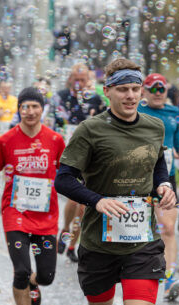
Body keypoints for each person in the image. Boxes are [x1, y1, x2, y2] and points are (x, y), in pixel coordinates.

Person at [55, 58, 176, 305]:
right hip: (99, 241)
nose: (130, 96)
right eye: (122, 89)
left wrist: (163, 185)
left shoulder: (154, 127)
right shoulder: (90, 129)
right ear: (107, 91)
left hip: (142, 240)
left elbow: (157, 165)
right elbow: (63, 178)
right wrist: (97, 200)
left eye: (135, 88)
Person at [0, 87, 65, 305]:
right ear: (18, 109)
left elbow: (67, 171)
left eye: (34, 106)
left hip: (46, 214)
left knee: (47, 275)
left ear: (42, 109)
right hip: (15, 212)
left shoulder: (56, 140)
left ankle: (33, 283)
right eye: (24, 107)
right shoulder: (5, 140)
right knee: (20, 271)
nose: (29, 111)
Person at [138, 73, 179, 300]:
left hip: (166, 177)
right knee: (141, 231)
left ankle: (169, 279)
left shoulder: (175, 113)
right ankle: (137, 275)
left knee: (167, 228)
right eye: (153, 89)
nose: (158, 93)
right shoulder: (135, 110)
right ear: (144, 91)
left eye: (162, 89)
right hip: (136, 179)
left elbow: (176, 139)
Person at [54, 63, 104, 263]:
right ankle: (65, 229)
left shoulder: (95, 99)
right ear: (70, 79)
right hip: (69, 155)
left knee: (84, 205)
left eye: (83, 80)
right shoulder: (61, 97)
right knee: (73, 200)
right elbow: (54, 124)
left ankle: (73, 245)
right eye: (76, 79)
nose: (79, 83)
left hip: (89, 156)